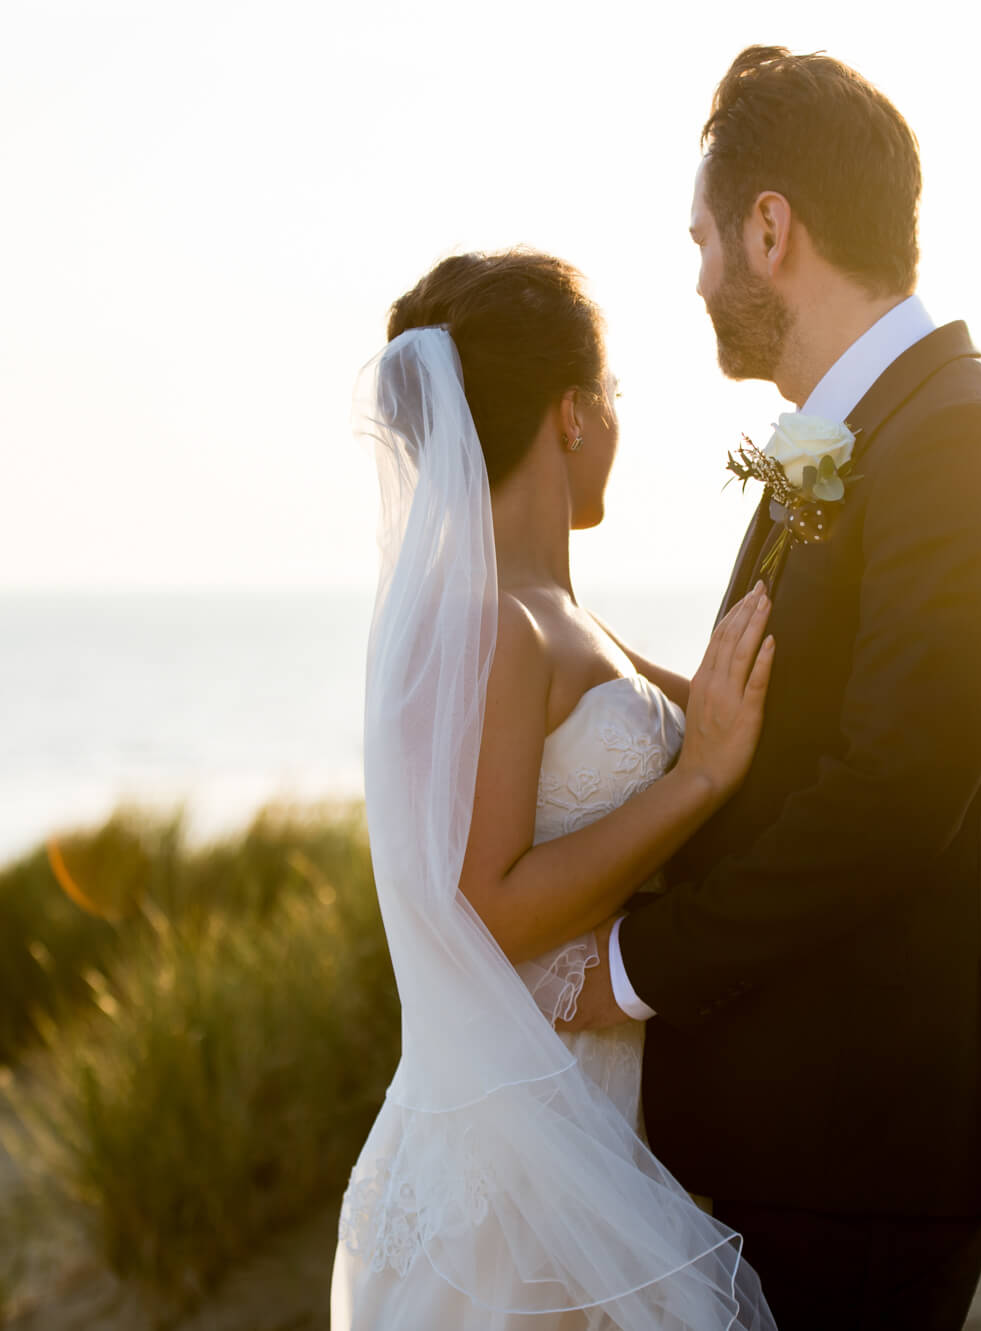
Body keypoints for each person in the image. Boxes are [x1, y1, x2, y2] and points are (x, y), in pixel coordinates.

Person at [560, 45, 981, 1330]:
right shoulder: (854, 438)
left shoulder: (963, 446)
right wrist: (575, 664)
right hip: (784, 1126)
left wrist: (632, 966)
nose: (694, 279)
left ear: (769, 227)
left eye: (702, 241)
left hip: (859, 1146)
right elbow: (789, 727)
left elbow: (889, 799)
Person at [329, 251, 781, 1329]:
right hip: (519, 1153)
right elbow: (485, 901)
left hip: (585, 1111)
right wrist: (702, 776)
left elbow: (723, 710)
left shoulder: (555, 609)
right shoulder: (494, 620)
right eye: (611, 394)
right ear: (570, 414)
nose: (618, 420)